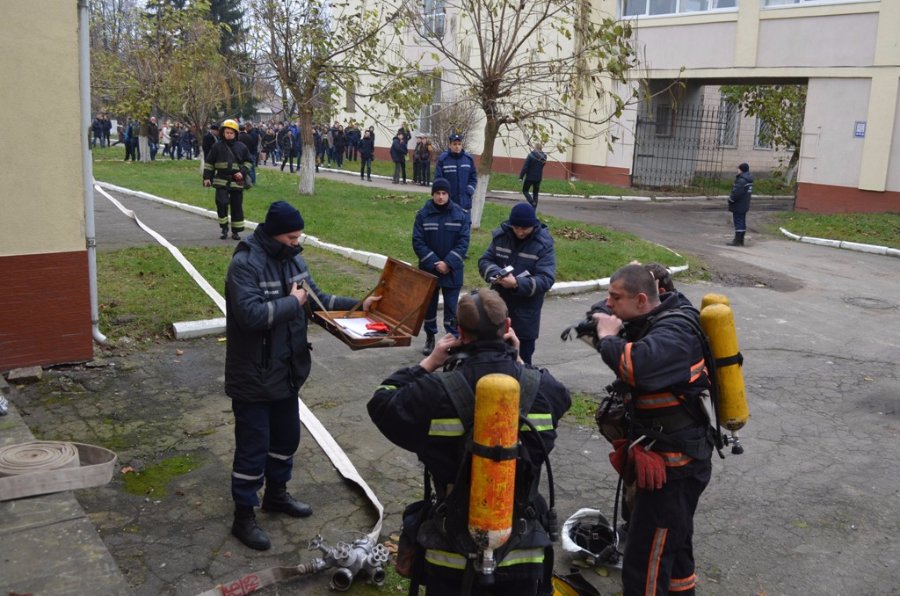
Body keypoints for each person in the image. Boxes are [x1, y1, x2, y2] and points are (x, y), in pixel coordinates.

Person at [367, 288, 571, 596]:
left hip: (450, 552)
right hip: (523, 551)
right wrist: (519, 360)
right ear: (508, 327)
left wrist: (428, 363)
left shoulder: (434, 391)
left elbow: (382, 403)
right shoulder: (541, 388)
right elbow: (562, 398)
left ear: (460, 334)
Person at [225, 200, 380, 551]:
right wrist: (293, 302)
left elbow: (318, 300)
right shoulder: (245, 264)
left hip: (287, 372)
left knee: (285, 440)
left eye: (298, 237)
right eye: (292, 237)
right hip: (252, 375)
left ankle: (276, 495)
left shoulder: (293, 260)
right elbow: (250, 316)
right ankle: (243, 516)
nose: (297, 243)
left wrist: (360, 304)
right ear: (275, 233)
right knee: (253, 449)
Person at [590, 263, 714, 596]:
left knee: (646, 560)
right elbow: (597, 313)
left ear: (643, 299)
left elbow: (636, 367)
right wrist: (610, 312)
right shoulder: (656, 314)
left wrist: (608, 337)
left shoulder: (675, 334)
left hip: (675, 469)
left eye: (616, 297)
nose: (609, 303)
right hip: (670, 458)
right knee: (675, 546)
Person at [478, 203, 555, 366]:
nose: (520, 232)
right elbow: (485, 260)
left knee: (521, 365)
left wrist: (517, 284)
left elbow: (546, 279)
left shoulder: (543, 245)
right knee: (491, 361)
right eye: (516, 227)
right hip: (497, 312)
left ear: (533, 226)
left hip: (525, 317)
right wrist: (496, 273)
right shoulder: (501, 237)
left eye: (524, 228)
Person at [413, 177, 470, 356]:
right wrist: (434, 263)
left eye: (444, 193)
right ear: (432, 194)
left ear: (448, 195)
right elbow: (418, 241)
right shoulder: (423, 214)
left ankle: (452, 339)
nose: (440, 197)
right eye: (437, 193)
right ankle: (430, 337)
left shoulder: (460, 215)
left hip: (452, 271)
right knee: (429, 308)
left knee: (452, 309)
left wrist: (448, 263)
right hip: (430, 271)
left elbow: (463, 242)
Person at [203, 119, 251, 240]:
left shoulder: (242, 147)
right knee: (221, 203)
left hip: (236, 181)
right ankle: (224, 228)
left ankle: (236, 232)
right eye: (227, 132)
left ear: (235, 133)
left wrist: (242, 172)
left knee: (236, 207)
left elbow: (249, 161)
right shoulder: (216, 146)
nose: (229, 135)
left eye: (231, 133)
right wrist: (207, 178)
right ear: (223, 133)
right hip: (221, 180)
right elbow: (209, 163)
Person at [435, 133, 477, 211]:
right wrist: (444, 194)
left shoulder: (468, 160)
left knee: (465, 219)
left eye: (459, 144)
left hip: (465, 202)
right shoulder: (443, 160)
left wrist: (469, 191)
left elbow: (473, 178)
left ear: (462, 145)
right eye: (454, 144)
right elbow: (438, 180)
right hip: (448, 202)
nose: (457, 146)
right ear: (450, 145)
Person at [727, 162, 753, 246]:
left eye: (738, 169)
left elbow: (736, 192)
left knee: (738, 222)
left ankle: (737, 241)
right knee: (742, 222)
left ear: (741, 170)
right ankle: (741, 240)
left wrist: (731, 199)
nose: (737, 170)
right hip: (744, 204)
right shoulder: (748, 179)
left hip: (738, 205)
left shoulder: (741, 180)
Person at [519, 143, 547, 209]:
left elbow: (525, 167)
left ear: (535, 147)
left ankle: (532, 202)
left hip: (529, 177)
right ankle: (534, 209)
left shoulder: (530, 156)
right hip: (538, 178)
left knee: (525, 191)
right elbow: (542, 166)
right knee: (535, 194)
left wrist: (521, 177)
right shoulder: (544, 157)